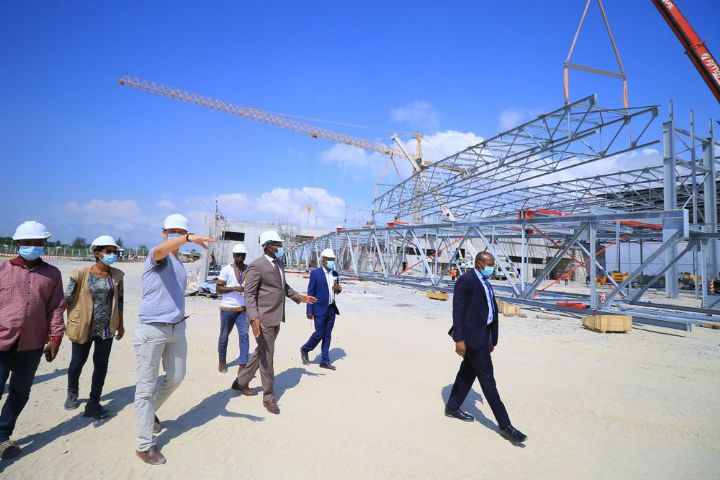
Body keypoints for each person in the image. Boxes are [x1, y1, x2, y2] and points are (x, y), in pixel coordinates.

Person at [133, 214, 213, 465]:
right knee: (145, 388)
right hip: (152, 329)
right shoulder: (157, 256)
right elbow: (160, 250)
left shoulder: (178, 264)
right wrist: (187, 238)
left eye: (182, 232)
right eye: (173, 232)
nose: (177, 236)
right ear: (164, 233)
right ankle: (144, 445)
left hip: (176, 329)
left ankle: (148, 415)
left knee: (176, 376)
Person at [445, 251, 527, 443]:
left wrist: (492, 338)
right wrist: (459, 339)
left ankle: (452, 406)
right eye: (489, 264)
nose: (492, 267)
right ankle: (506, 425)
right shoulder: (466, 280)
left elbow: (489, 310)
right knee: (488, 382)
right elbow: (458, 311)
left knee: (467, 373)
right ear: (480, 264)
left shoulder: (485, 281)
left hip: (484, 337)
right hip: (472, 339)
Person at [231, 230, 316, 414]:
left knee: (261, 352)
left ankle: (241, 382)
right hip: (263, 319)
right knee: (267, 358)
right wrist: (254, 318)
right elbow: (249, 294)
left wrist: (300, 297)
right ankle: (268, 397)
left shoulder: (279, 263)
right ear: (269, 246)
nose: (280, 248)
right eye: (278, 244)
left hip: (277, 317)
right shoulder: (256, 266)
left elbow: (283, 286)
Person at [0, 221, 65, 459]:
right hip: (2, 342)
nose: (33, 247)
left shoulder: (52, 274)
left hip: (33, 344)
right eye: (28, 243)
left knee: (20, 391)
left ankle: (2, 435)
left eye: (38, 243)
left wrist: (56, 336)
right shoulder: (2, 270)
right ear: (18, 244)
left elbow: (57, 307)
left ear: (45, 244)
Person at [63, 235, 125, 419]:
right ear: (97, 253)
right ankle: (72, 393)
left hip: (106, 328)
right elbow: (65, 299)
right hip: (83, 325)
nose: (112, 255)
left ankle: (94, 402)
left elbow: (119, 302)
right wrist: (55, 324)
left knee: (101, 365)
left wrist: (120, 325)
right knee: (77, 362)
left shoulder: (117, 275)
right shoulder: (81, 273)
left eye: (114, 252)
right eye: (109, 252)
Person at [300, 248, 341, 370]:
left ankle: (324, 360)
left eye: (333, 260)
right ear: (323, 260)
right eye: (329, 260)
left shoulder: (335, 274)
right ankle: (305, 349)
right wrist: (309, 310)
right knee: (319, 334)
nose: (332, 262)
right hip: (319, 308)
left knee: (327, 335)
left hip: (331, 308)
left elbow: (336, 291)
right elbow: (310, 292)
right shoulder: (315, 273)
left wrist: (339, 289)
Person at [215, 244, 249, 373]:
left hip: (243, 309)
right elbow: (218, 289)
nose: (241, 258)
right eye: (238, 255)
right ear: (234, 256)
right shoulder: (226, 270)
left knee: (244, 335)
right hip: (228, 309)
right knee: (224, 336)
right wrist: (235, 288)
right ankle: (222, 361)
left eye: (243, 255)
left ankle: (243, 364)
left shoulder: (248, 269)